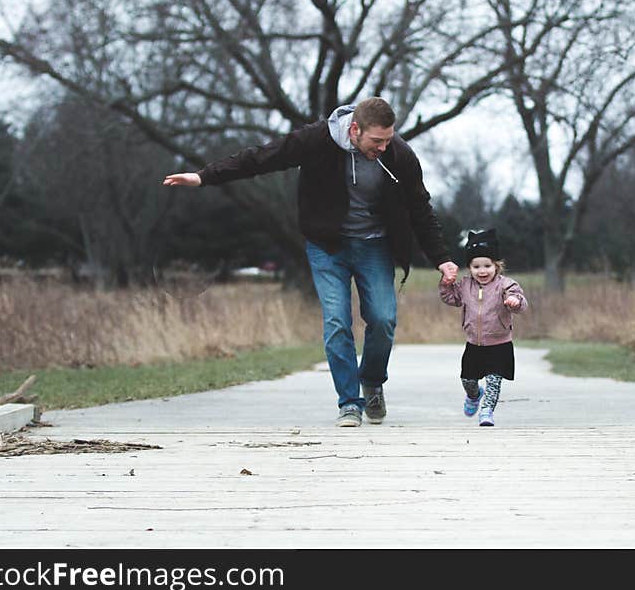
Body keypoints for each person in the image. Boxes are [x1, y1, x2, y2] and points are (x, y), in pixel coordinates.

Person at [163, 97, 458, 427]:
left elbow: (421, 209)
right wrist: (204, 177)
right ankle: (349, 402)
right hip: (327, 245)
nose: (383, 147)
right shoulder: (316, 140)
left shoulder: (399, 155)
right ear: (355, 129)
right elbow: (262, 158)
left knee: (383, 318)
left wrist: (442, 260)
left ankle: (372, 381)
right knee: (336, 322)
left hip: (374, 245)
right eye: (377, 141)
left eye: (388, 139)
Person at [439, 229, 527, 426]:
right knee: (468, 380)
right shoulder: (464, 286)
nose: (482, 271)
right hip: (474, 345)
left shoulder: (505, 285)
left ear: (496, 266)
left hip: (500, 345)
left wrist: (515, 301)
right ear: (469, 268)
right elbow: (450, 298)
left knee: (494, 382)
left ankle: (487, 412)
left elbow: (521, 302)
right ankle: (474, 395)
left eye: (487, 265)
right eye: (476, 266)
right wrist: (445, 284)